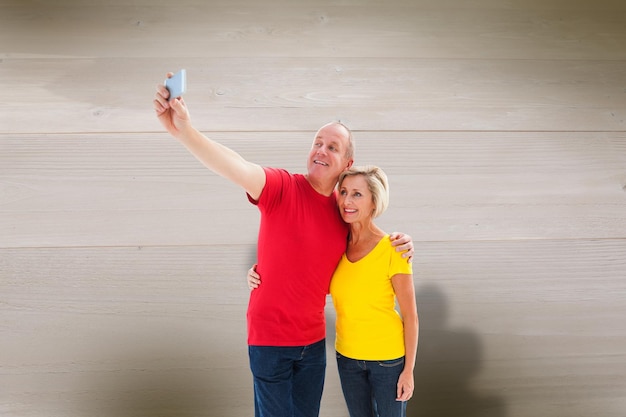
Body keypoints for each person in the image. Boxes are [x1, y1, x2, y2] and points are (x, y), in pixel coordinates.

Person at [153, 72, 414, 417]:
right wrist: (186, 132)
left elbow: (359, 256)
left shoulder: (344, 213)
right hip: (270, 341)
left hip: (314, 344)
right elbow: (235, 165)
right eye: (317, 142)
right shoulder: (281, 187)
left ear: (347, 164)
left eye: (332, 147)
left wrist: (403, 241)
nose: (321, 150)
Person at [248, 165, 418, 417]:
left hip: (387, 360)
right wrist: (257, 272)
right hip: (347, 357)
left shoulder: (394, 248)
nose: (347, 201)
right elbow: (302, 271)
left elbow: (411, 316)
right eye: (344, 192)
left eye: (357, 194)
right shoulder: (337, 245)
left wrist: (408, 371)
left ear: (374, 201)